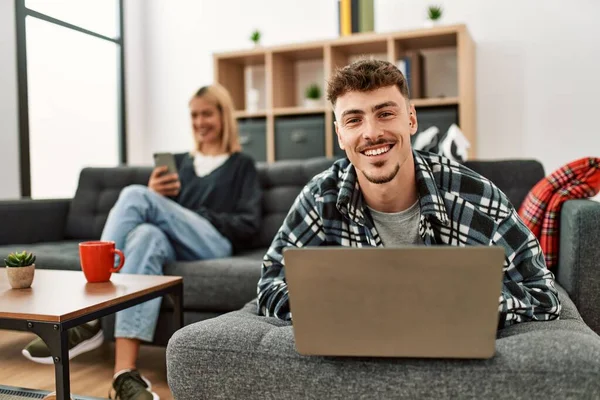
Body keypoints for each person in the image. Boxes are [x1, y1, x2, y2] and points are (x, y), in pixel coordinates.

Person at [257, 59, 561, 328]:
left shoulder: (476, 197)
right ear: (340, 134)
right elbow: (271, 283)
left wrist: (468, 306)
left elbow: (543, 293)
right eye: (354, 120)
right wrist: (335, 307)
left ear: (411, 119)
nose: (371, 132)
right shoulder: (321, 196)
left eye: (385, 113)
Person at [22, 83, 263, 400]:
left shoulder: (241, 165)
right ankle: (124, 374)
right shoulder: (181, 163)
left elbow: (249, 224)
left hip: (213, 241)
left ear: (223, 116)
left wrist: (180, 213)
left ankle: (90, 314)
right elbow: (161, 220)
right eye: (194, 115)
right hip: (171, 240)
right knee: (146, 236)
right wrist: (160, 198)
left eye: (207, 114)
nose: (200, 122)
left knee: (135, 195)